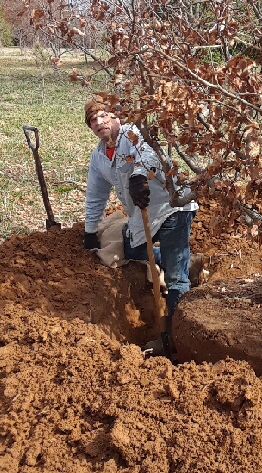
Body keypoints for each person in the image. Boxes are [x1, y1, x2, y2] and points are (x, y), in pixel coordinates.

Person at [83, 97, 198, 330]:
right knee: (132, 248)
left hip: (171, 207)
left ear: (116, 116)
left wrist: (138, 175)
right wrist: (90, 230)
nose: (99, 122)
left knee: (175, 279)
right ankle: (186, 261)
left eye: (103, 115)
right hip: (143, 211)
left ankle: (175, 334)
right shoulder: (98, 157)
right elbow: (95, 195)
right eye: (93, 120)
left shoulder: (134, 133)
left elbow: (148, 155)